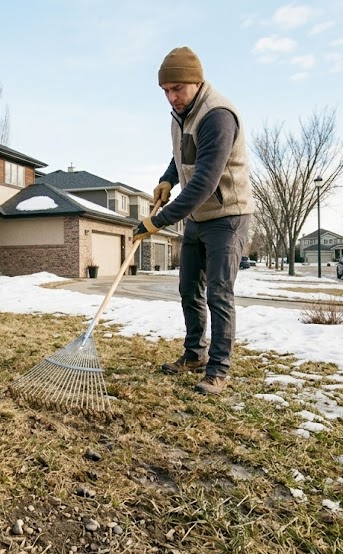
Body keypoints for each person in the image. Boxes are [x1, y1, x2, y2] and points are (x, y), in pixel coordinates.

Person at [134, 46, 253, 396]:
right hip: (198, 216)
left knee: (218, 292)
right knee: (189, 289)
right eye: (165, 91)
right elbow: (182, 155)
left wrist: (158, 222)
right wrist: (167, 179)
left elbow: (203, 181)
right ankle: (195, 355)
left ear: (196, 82)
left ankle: (218, 369)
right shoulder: (181, 113)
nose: (171, 97)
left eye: (177, 89)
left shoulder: (218, 116)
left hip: (227, 215)